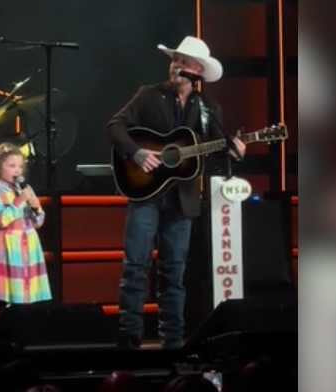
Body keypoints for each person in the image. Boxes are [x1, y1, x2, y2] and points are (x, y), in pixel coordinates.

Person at [106, 36, 247, 349]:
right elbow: (115, 125)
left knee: (174, 272)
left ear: (197, 71)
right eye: (175, 60)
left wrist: (233, 150)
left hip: (182, 200)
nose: (176, 66)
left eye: (183, 62)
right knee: (135, 267)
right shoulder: (148, 95)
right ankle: (129, 338)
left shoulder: (209, 109)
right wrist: (137, 153)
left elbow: (217, 148)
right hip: (145, 194)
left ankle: (172, 342)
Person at [0, 143, 51, 314]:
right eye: (11, 166)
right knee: (8, 297)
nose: (17, 170)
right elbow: (0, 221)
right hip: (8, 249)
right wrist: (19, 201)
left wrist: (35, 208)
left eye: (20, 166)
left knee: (27, 297)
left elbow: (38, 222)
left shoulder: (26, 190)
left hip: (28, 246)